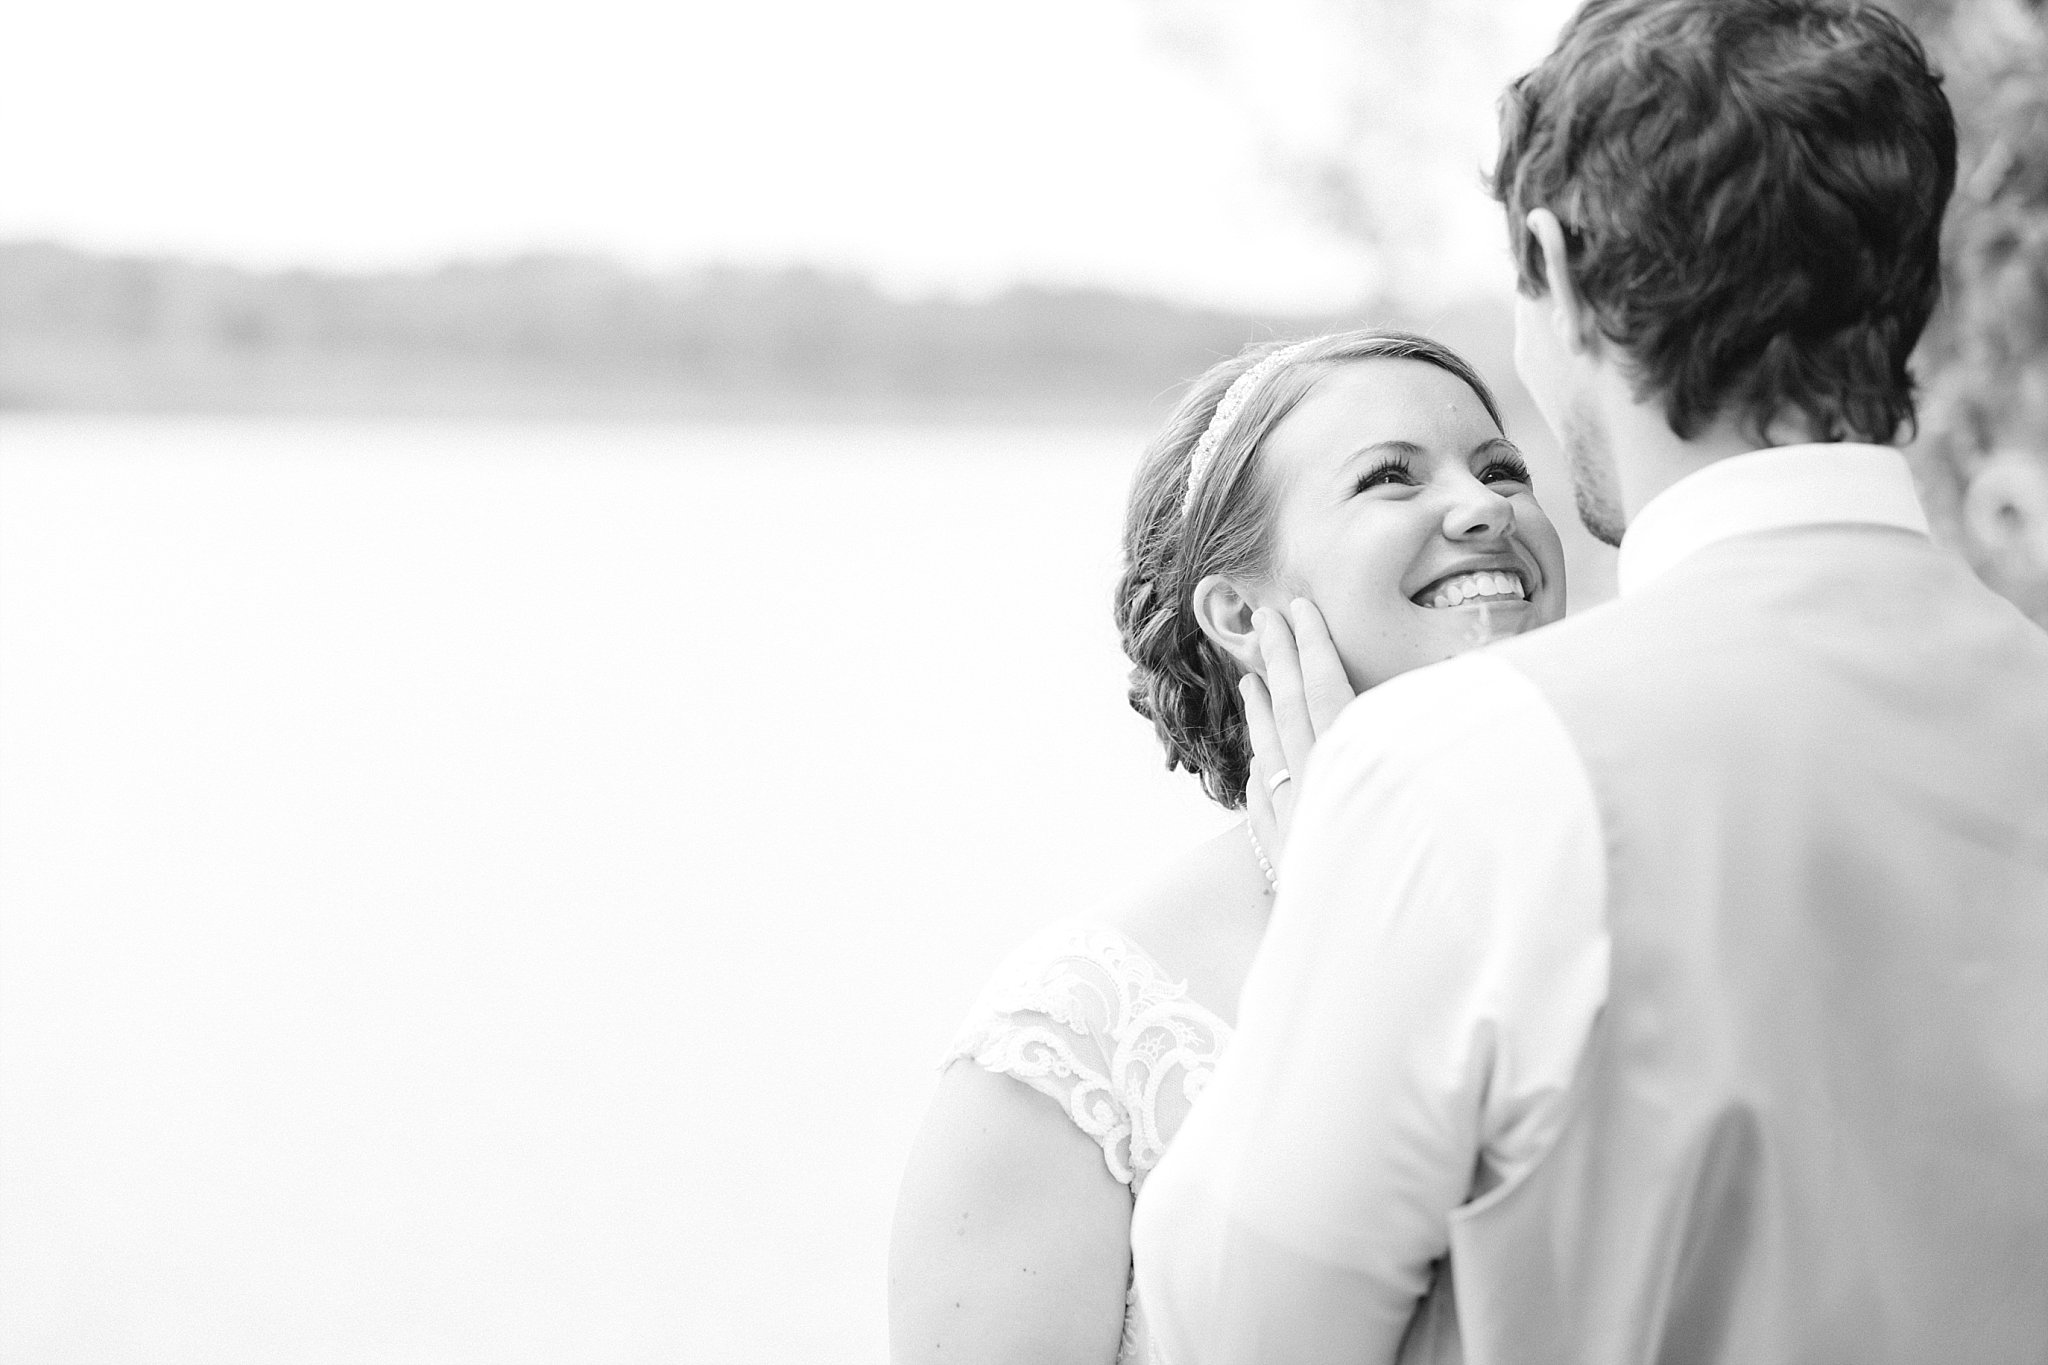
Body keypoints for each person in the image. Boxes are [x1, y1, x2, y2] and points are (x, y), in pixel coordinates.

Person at [1131, 2, 2048, 1362]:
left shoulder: (1463, 771)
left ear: (1552, 270)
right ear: (1908, 280)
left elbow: (1242, 1330)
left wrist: (1328, 874)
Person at [886, 329, 1569, 1365]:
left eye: (1501, 467)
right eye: (1389, 478)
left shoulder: (1627, 887)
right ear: (1239, 612)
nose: (1484, 507)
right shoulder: (1078, 1039)